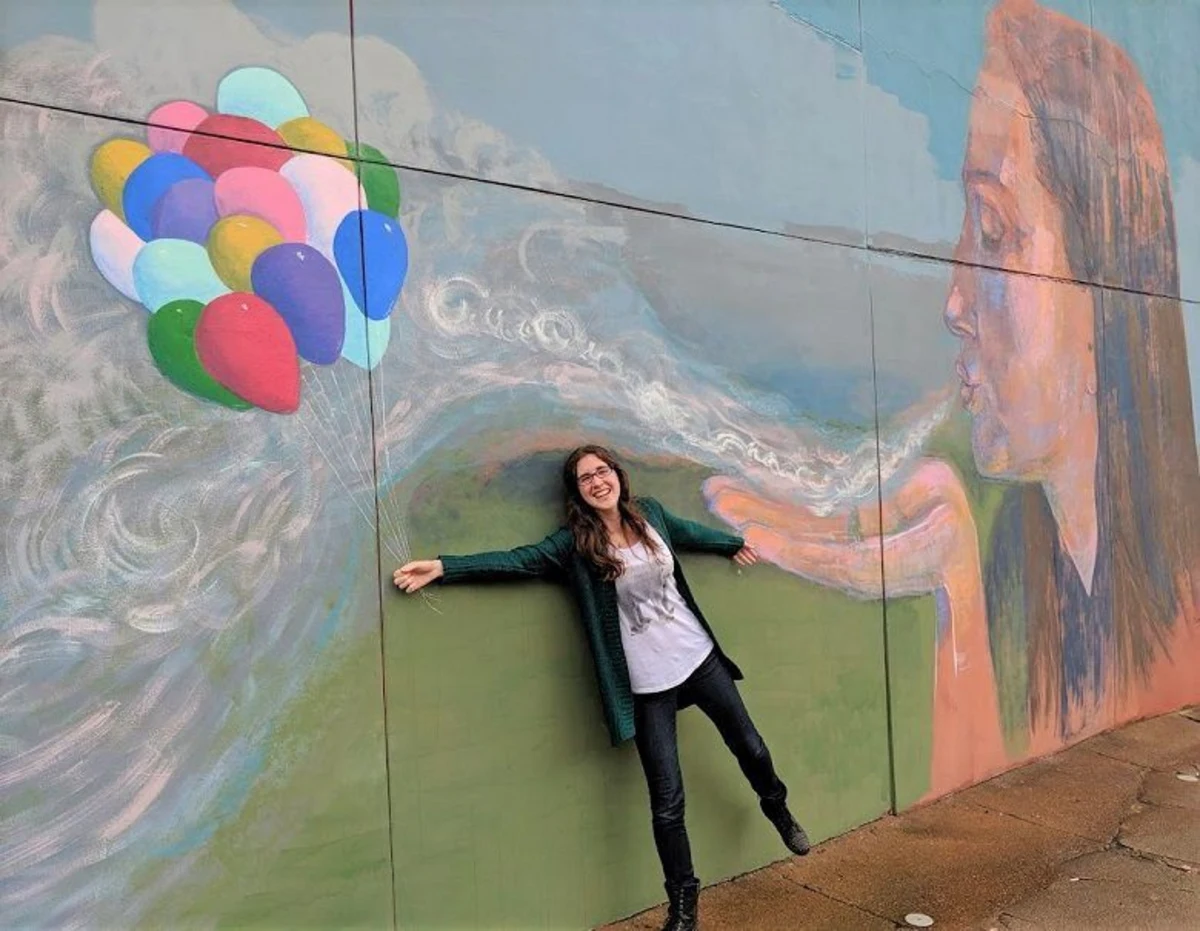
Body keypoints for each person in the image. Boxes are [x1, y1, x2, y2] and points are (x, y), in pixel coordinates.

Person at [704, 0, 1200, 798]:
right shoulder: (1026, 568)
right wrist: (956, 584)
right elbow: (1010, 815)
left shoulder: (1176, 594)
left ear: (1107, 298)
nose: (954, 302)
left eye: (993, 231)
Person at [394, 444, 809, 931]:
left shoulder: (650, 514)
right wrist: (444, 567)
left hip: (699, 659)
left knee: (752, 748)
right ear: (578, 492)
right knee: (667, 803)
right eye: (585, 478)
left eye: (602, 471)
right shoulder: (575, 543)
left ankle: (776, 807)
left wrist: (729, 543)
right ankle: (683, 901)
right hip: (648, 685)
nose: (597, 482)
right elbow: (518, 561)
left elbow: (688, 534)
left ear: (617, 475)